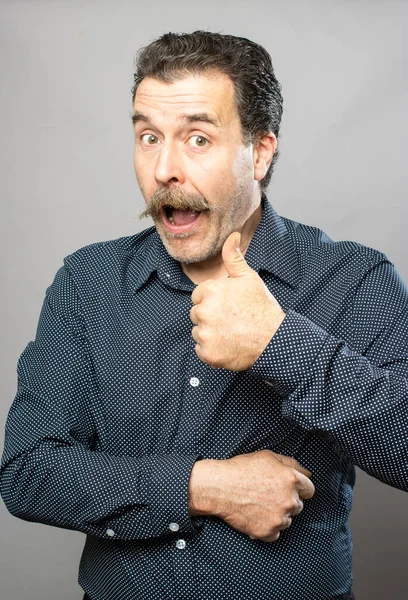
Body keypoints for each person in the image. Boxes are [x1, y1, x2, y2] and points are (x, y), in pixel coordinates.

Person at [1, 30, 407, 600]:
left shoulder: (353, 279)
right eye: (148, 136)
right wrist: (206, 486)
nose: (164, 168)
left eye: (197, 138)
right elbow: (28, 473)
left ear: (260, 152)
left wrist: (283, 346)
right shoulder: (86, 284)